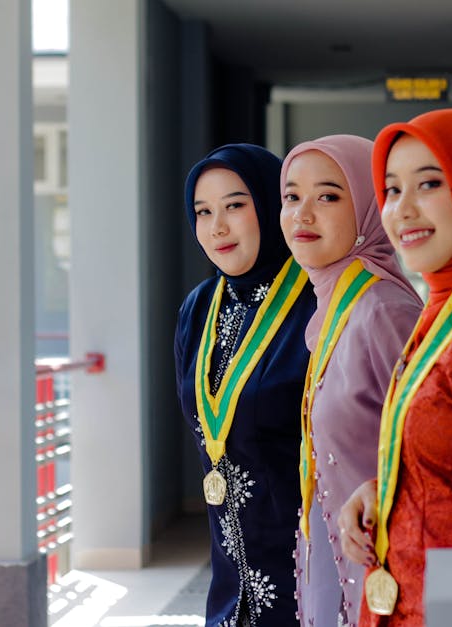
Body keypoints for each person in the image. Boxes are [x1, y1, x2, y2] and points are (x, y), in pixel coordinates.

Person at [279, 134, 422, 627]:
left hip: (382, 570)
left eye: (328, 196)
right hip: (336, 561)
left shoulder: (383, 309)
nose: (302, 214)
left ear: (368, 208)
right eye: (292, 197)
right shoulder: (333, 303)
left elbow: (427, 450)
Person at [337, 109, 452, 625]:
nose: (403, 209)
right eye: (391, 190)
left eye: (430, 183)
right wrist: (387, 489)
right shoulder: (439, 308)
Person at [174, 143, 315, 626]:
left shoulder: (317, 302)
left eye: (235, 205)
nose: (217, 228)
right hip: (228, 573)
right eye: (203, 211)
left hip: (307, 567)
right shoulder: (198, 309)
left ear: (272, 206)